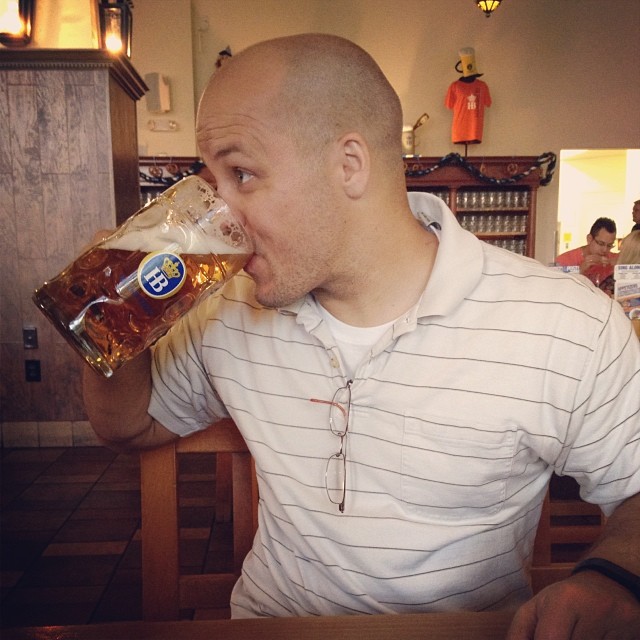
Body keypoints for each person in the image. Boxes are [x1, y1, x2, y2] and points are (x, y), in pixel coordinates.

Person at [83, 34, 640, 638]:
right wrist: (112, 321)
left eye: (242, 173)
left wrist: (611, 579)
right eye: (213, 181)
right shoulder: (228, 310)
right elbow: (129, 423)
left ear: (349, 164)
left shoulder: (562, 322)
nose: (221, 216)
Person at [555, 217, 618, 290]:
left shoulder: (614, 258)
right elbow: (557, 288)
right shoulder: (564, 260)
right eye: (601, 244)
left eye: (609, 245)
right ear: (589, 239)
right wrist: (580, 270)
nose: (605, 250)